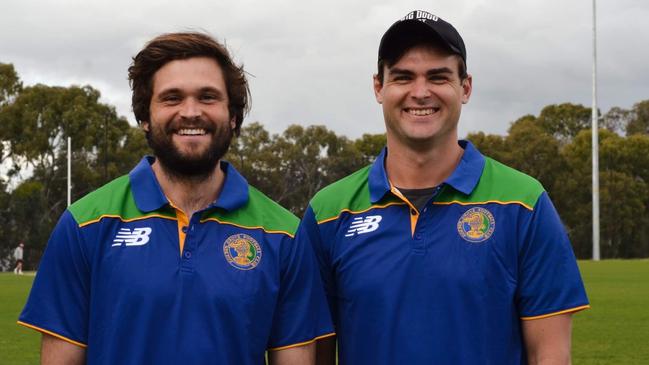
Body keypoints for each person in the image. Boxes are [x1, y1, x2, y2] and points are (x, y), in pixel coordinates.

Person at [18, 32, 333, 365]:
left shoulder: (283, 234)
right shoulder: (85, 224)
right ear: (144, 117)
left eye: (208, 97)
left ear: (233, 116)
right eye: (172, 98)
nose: (191, 111)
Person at [299, 10, 590, 365]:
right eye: (403, 77)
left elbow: (550, 354)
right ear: (379, 87)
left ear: (465, 87)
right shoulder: (329, 212)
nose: (420, 92)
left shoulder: (524, 203)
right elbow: (314, 352)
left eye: (438, 77)